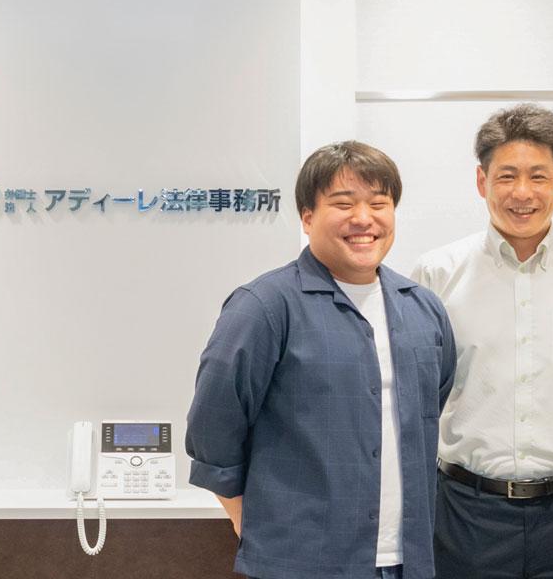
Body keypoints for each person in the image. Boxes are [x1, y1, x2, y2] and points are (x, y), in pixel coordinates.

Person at [186, 141, 457, 579]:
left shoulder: (423, 308)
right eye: (343, 204)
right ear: (307, 216)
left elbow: (430, 408)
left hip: (408, 560)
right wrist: (250, 521)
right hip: (299, 562)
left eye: (379, 203)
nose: (363, 218)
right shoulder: (265, 306)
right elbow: (213, 427)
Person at [411, 103, 553, 579]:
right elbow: (414, 397)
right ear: (481, 181)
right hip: (465, 513)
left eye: (538, 176)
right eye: (507, 176)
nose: (522, 193)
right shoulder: (437, 273)